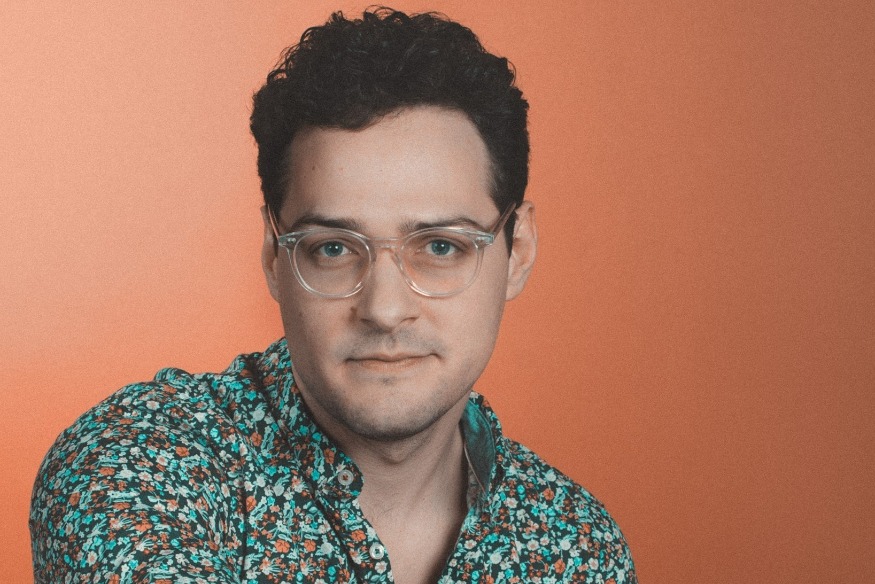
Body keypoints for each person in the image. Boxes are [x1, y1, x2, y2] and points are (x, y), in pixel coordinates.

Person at [30, 8, 636, 583]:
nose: (384, 310)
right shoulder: (141, 463)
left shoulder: (577, 546)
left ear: (518, 250)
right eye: (334, 249)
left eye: (441, 246)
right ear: (275, 256)